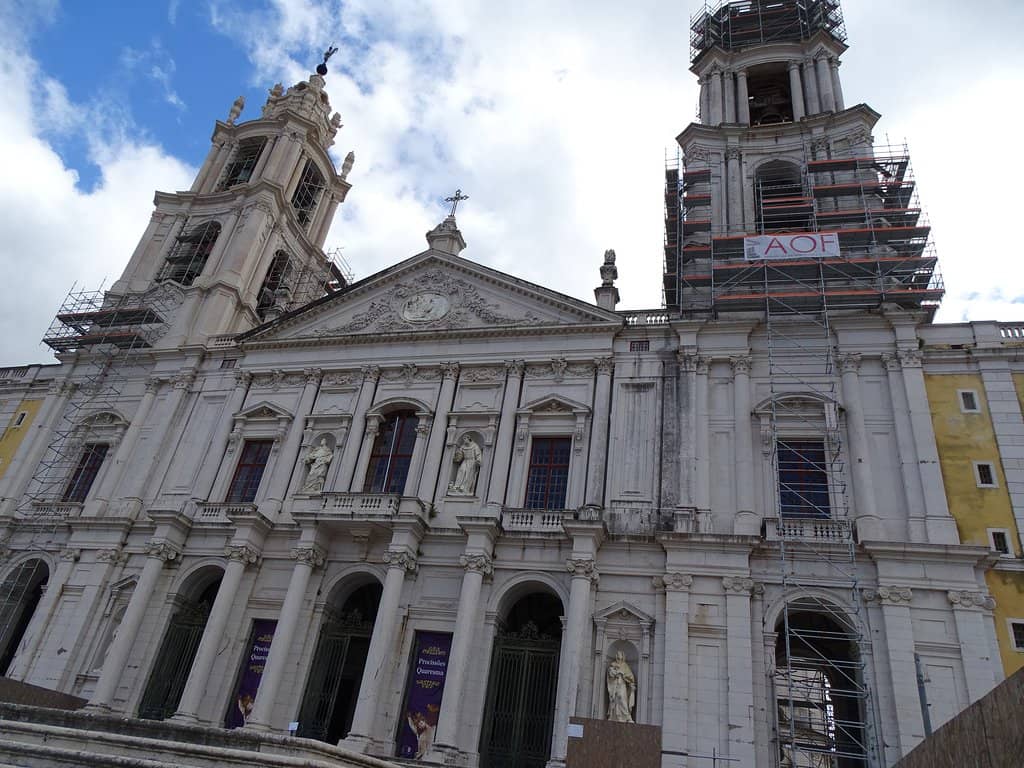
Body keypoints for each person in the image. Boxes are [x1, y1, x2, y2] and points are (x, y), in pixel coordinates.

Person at [606, 650, 636, 723]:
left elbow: (631, 676)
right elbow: (610, 674)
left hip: (622, 685)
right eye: (617, 655)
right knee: (614, 700)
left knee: (622, 699)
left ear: (622, 656)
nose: (618, 656)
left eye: (620, 655)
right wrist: (614, 673)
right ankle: (613, 716)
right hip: (614, 685)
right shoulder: (612, 665)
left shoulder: (625, 666)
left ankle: (627, 716)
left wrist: (623, 674)